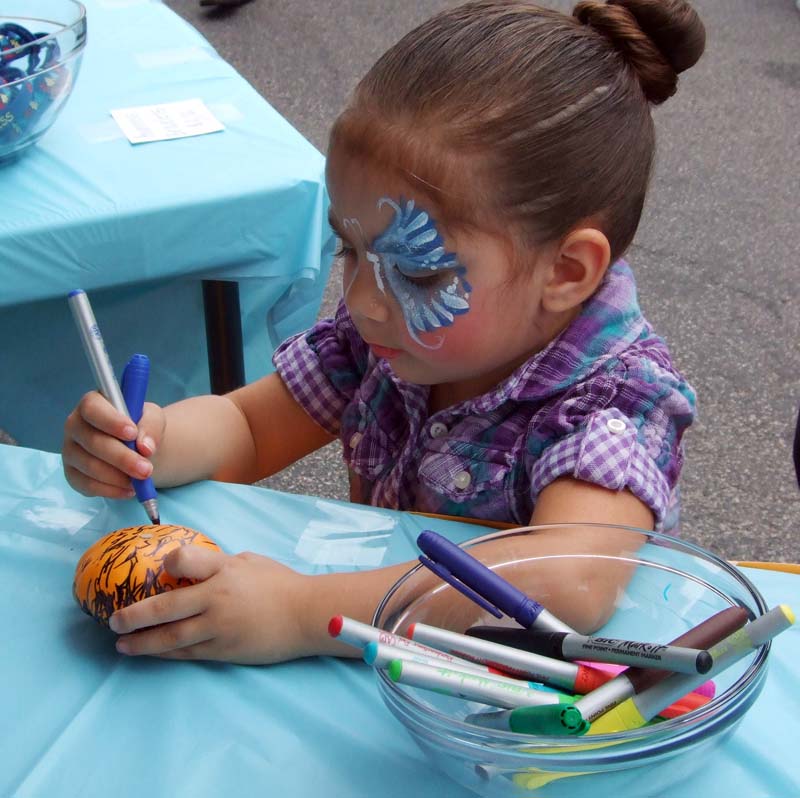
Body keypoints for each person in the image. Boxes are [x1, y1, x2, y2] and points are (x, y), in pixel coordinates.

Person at [62, 0, 705, 665]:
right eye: (348, 249)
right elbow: (250, 429)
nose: (363, 300)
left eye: (416, 271)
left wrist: (303, 612)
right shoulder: (387, 337)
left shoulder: (613, 407)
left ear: (566, 271)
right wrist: (151, 444)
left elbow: (565, 583)